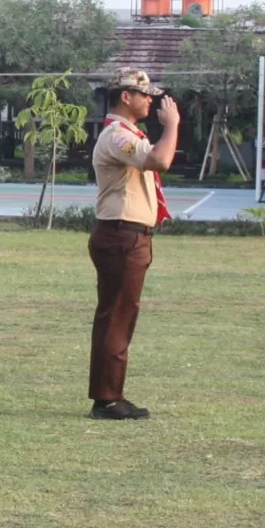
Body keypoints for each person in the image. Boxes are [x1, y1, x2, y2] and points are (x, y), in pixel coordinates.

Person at [88, 67, 180, 421]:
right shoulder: (116, 135)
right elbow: (160, 160)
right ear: (126, 96)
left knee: (118, 316)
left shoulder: (126, 133)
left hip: (126, 235)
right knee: (117, 318)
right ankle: (108, 399)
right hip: (121, 235)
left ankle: (110, 394)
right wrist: (171, 125)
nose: (151, 101)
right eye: (145, 95)